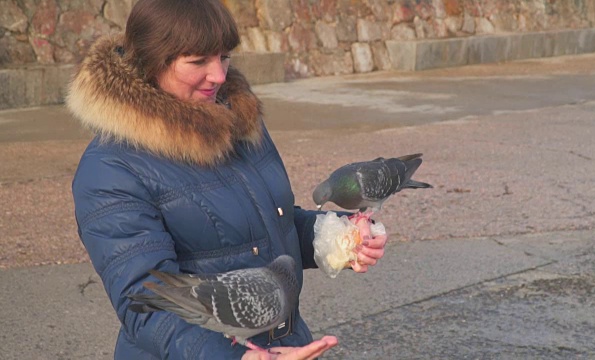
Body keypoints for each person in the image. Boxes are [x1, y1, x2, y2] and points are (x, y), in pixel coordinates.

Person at [67, 0, 388, 359]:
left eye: (224, 57)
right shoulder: (110, 169)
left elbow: (270, 227)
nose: (219, 75)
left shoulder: (236, 123)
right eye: (198, 61)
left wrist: (337, 238)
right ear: (152, 61)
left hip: (285, 346)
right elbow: (147, 301)